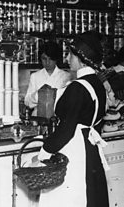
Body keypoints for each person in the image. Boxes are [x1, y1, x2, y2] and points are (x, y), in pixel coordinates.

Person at [34, 31, 109, 206]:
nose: (67, 59)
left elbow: (66, 130)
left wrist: (44, 152)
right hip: (91, 150)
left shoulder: (77, 87)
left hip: (74, 152)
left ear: (81, 57)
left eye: (70, 54)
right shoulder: (98, 84)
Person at [24, 41, 71, 116]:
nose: (47, 62)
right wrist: (38, 95)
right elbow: (27, 102)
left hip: (58, 118)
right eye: (44, 59)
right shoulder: (35, 76)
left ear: (56, 59)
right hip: (37, 117)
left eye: (51, 59)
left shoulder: (66, 76)